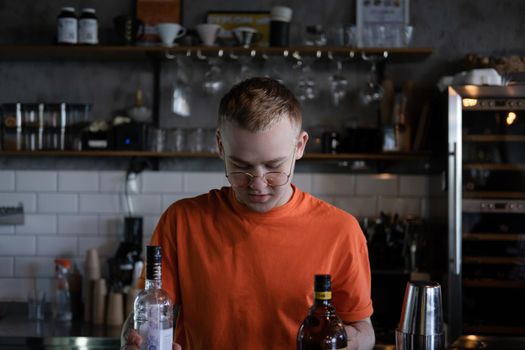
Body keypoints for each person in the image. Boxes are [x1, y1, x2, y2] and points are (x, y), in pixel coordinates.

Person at [122, 77, 375, 350]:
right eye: (241, 166)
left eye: (274, 166)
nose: (258, 183)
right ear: (220, 145)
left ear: (300, 146)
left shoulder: (340, 230)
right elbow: (145, 316)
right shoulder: (181, 221)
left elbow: (364, 330)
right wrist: (134, 339)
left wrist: (348, 341)